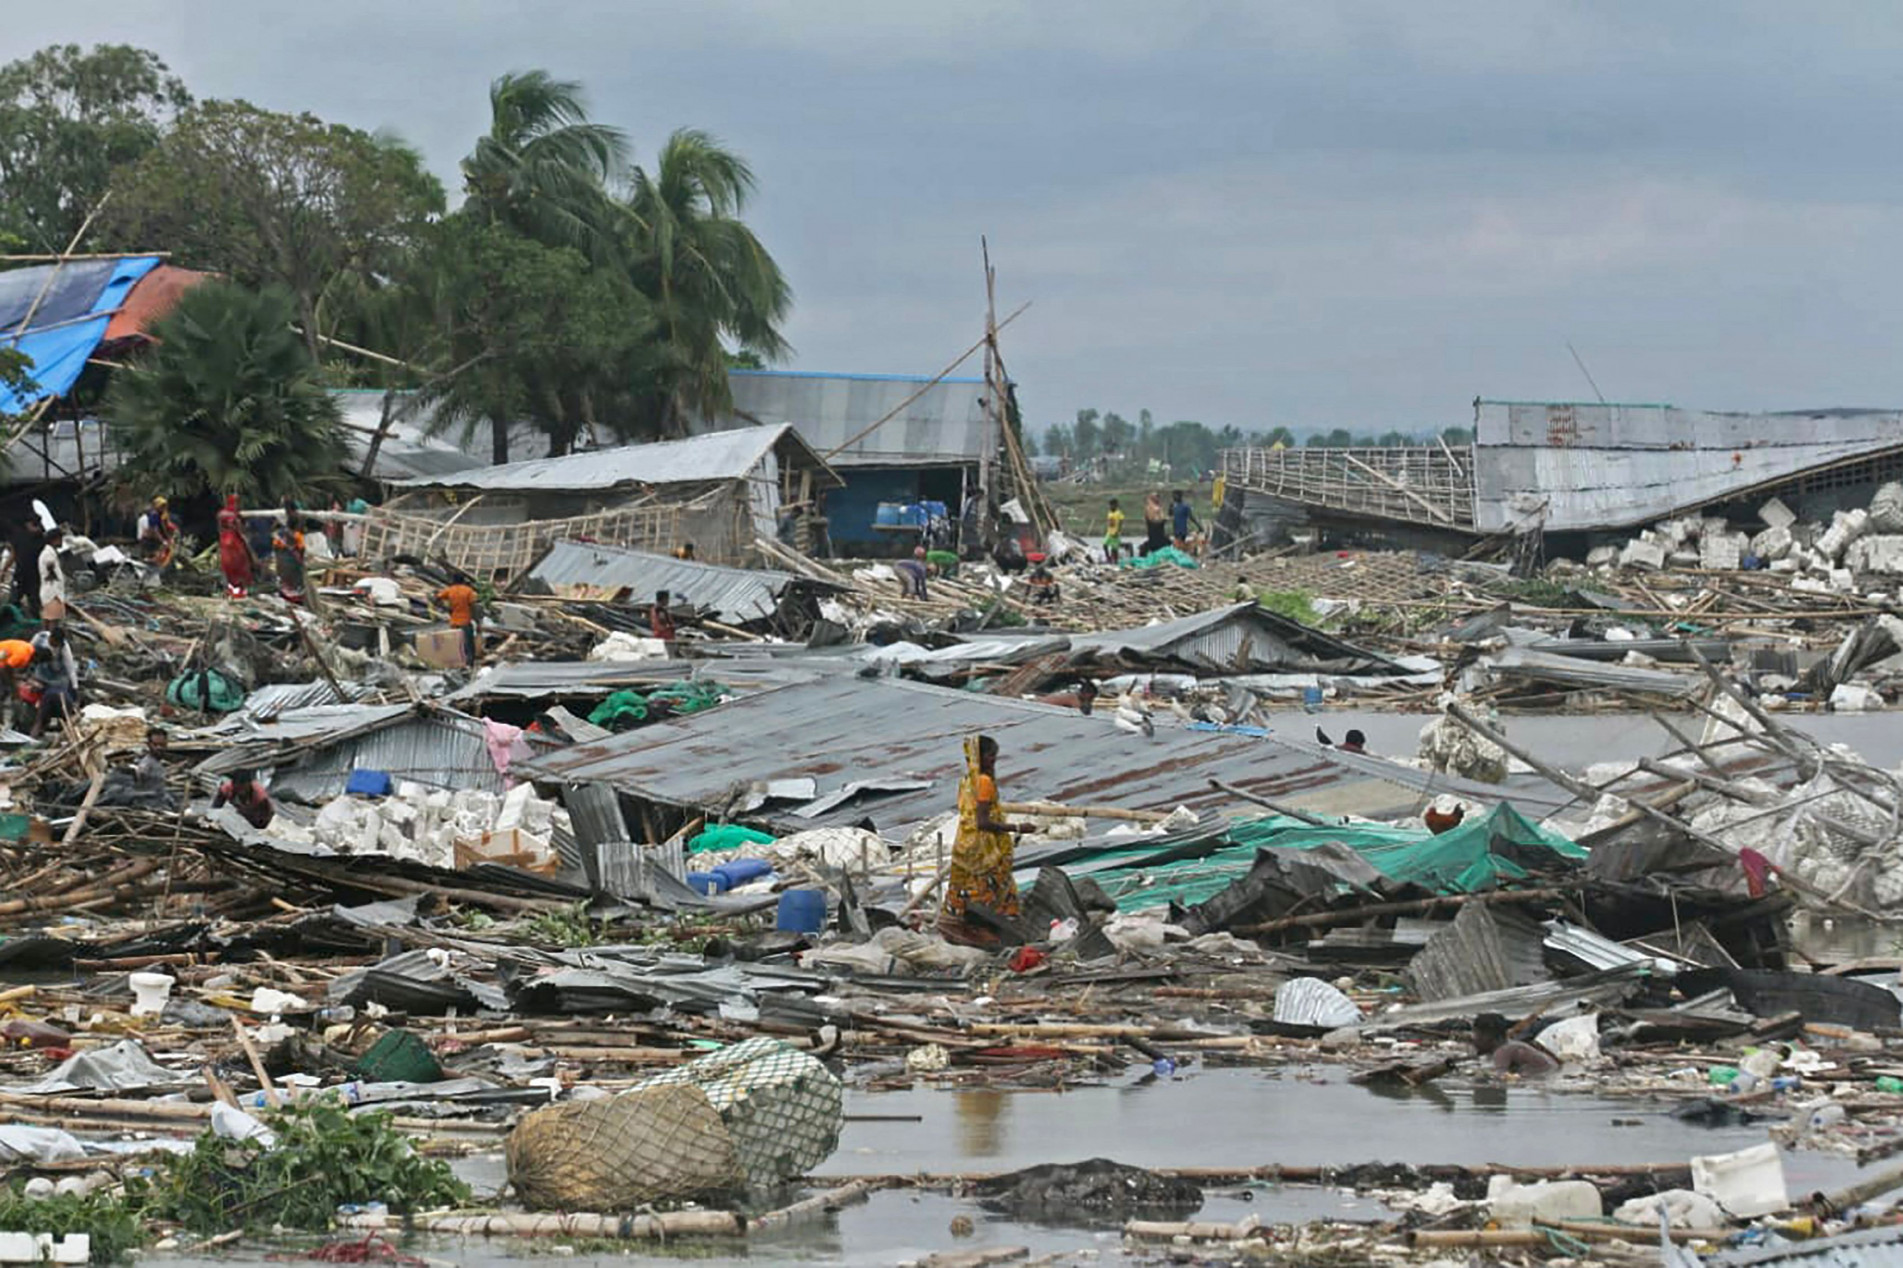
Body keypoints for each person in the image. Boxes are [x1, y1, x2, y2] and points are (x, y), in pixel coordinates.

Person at [938, 735, 1033, 946]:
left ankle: (959, 927)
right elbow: (983, 822)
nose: (994, 761)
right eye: (990, 756)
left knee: (963, 887)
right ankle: (988, 932)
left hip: (965, 844)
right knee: (993, 888)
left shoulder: (966, 781)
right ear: (979, 757)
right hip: (984, 849)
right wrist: (1018, 828)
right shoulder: (984, 782)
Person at [27, 626, 78, 739]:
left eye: (57, 644)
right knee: (35, 700)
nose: (55, 645)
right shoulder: (40, 638)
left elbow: (70, 668)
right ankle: (32, 724)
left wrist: (75, 687)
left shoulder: (64, 647)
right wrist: (29, 678)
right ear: (51, 638)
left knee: (49, 704)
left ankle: (43, 728)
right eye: (54, 643)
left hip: (57, 678)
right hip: (41, 673)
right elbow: (28, 654)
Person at [1473, 1013, 1559, 1075]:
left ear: (1487, 1036)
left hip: (1545, 1076)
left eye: (1476, 1035)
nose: (1474, 1040)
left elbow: (1501, 1077)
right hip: (1553, 1070)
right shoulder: (1512, 1045)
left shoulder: (1502, 1051)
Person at [216, 496, 255, 599]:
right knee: (240, 565)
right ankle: (241, 591)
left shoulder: (221, 514)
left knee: (227, 565)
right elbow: (240, 529)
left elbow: (219, 528)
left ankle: (230, 589)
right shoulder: (236, 515)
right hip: (235, 541)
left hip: (224, 541)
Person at [436, 577, 481, 666]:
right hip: (465, 621)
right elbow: (473, 606)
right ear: (463, 581)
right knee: (468, 645)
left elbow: (436, 599)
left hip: (454, 622)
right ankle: (469, 664)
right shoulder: (468, 591)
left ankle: (457, 663)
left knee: (456, 644)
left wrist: (446, 609)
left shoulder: (449, 590)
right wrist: (477, 621)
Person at [272, 504, 306, 605]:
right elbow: (301, 550)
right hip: (293, 566)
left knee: (284, 586)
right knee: (295, 587)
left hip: (281, 566)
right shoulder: (297, 536)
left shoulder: (280, 535)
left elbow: (275, 548)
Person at [9, 519, 41, 618]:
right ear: (27, 524)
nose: (36, 528)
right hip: (20, 575)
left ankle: (36, 624)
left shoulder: (42, 539)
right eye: (33, 524)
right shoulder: (19, 537)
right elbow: (13, 555)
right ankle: (10, 621)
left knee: (34, 603)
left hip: (34, 577)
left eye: (37, 525)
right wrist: (3, 570)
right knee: (13, 601)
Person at [137, 496, 177, 567]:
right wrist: (162, 541)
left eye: (164, 506)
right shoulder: (154, 515)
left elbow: (165, 526)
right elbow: (154, 530)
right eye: (161, 506)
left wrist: (169, 538)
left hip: (157, 538)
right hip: (150, 539)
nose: (163, 508)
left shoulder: (163, 515)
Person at [37, 528, 66, 625]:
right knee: (53, 622)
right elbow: (50, 571)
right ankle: (50, 638)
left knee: (48, 620)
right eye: (60, 539)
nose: (62, 541)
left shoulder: (49, 552)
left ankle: (47, 637)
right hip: (52, 593)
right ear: (54, 540)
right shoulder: (48, 554)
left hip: (51, 592)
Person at [1141, 492, 1168, 556]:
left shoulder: (1159, 506)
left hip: (1160, 529)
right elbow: (1150, 518)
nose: (1158, 498)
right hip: (1153, 529)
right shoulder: (1149, 507)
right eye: (1156, 497)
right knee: (1154, 544)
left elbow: (1161, 517)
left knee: (1162, 544)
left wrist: (1163, 520)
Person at [1103, 498, 1125, 563]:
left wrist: (1118, 531)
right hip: (1109, 532)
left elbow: (1121, 521)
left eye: (1112, 505)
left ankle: (1115, 562)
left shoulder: (1118, 513)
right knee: (1105, 545)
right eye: (1110, 505)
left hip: (1115, 533)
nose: (1110, 507)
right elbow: (1109, 522)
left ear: (1116, 505)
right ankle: (1108, 558)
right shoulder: (1109, 513)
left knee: (1114, 549)